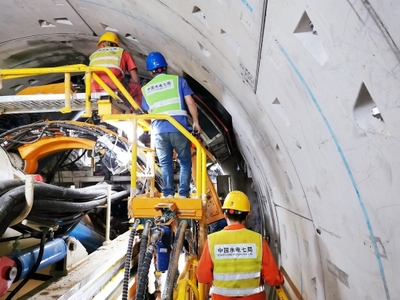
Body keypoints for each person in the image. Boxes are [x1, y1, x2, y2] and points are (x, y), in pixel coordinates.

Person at [197, 190, 284, 300]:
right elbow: (272, 278)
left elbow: (203, 277)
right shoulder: (258, 241)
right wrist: (280, 279)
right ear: (247, 216)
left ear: (225, 215)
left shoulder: (212, 241)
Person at [141, 51, 202, 198]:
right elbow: (190, 103)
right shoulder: (178, 81)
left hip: (159, 131)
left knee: (165, 163)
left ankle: (168, 193)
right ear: (166, 67)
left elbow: (148, 112)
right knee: (185, 162)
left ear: (150, 72)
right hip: (179, 128)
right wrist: (196, 122)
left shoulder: (146, 89)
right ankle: (183, 194)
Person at [89, 31, 142, 108]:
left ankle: (102, 117)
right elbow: (135, 79)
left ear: (103, 44)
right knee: (138, 88)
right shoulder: (122, 52)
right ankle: (137, 114)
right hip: (114, 87)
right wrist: (128, 84)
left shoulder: (93, 55)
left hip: (92, 87)